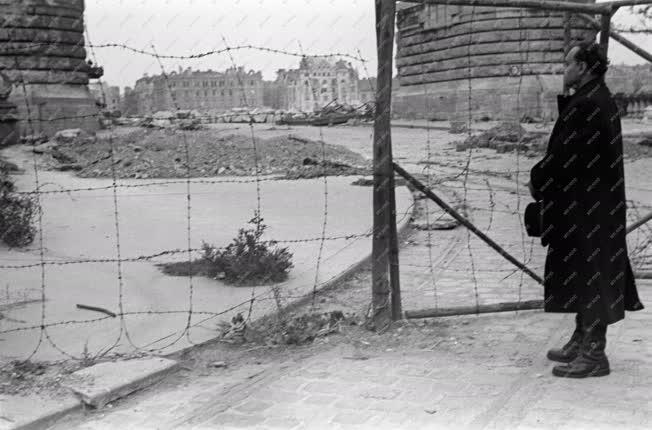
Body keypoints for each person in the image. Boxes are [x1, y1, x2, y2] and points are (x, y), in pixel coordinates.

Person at [528, 41, 644, 378]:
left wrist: (538, 178)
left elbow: (567, 156)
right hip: (590, 207)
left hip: (591, 209)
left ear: (584, 67)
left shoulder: (590, 103)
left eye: (568, 64)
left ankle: (594, 355)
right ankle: (582, 341)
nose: (564, 70)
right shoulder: (593, 98)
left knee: (593, 275)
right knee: (585, 272)